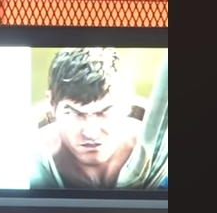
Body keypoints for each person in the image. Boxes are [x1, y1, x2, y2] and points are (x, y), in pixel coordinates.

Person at [30, 48, 167, 189]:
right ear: (52, 104)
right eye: (74, 113)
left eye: (105, 111)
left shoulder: (164, 152)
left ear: (128, 103)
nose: (91, 133)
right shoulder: (26, 161)